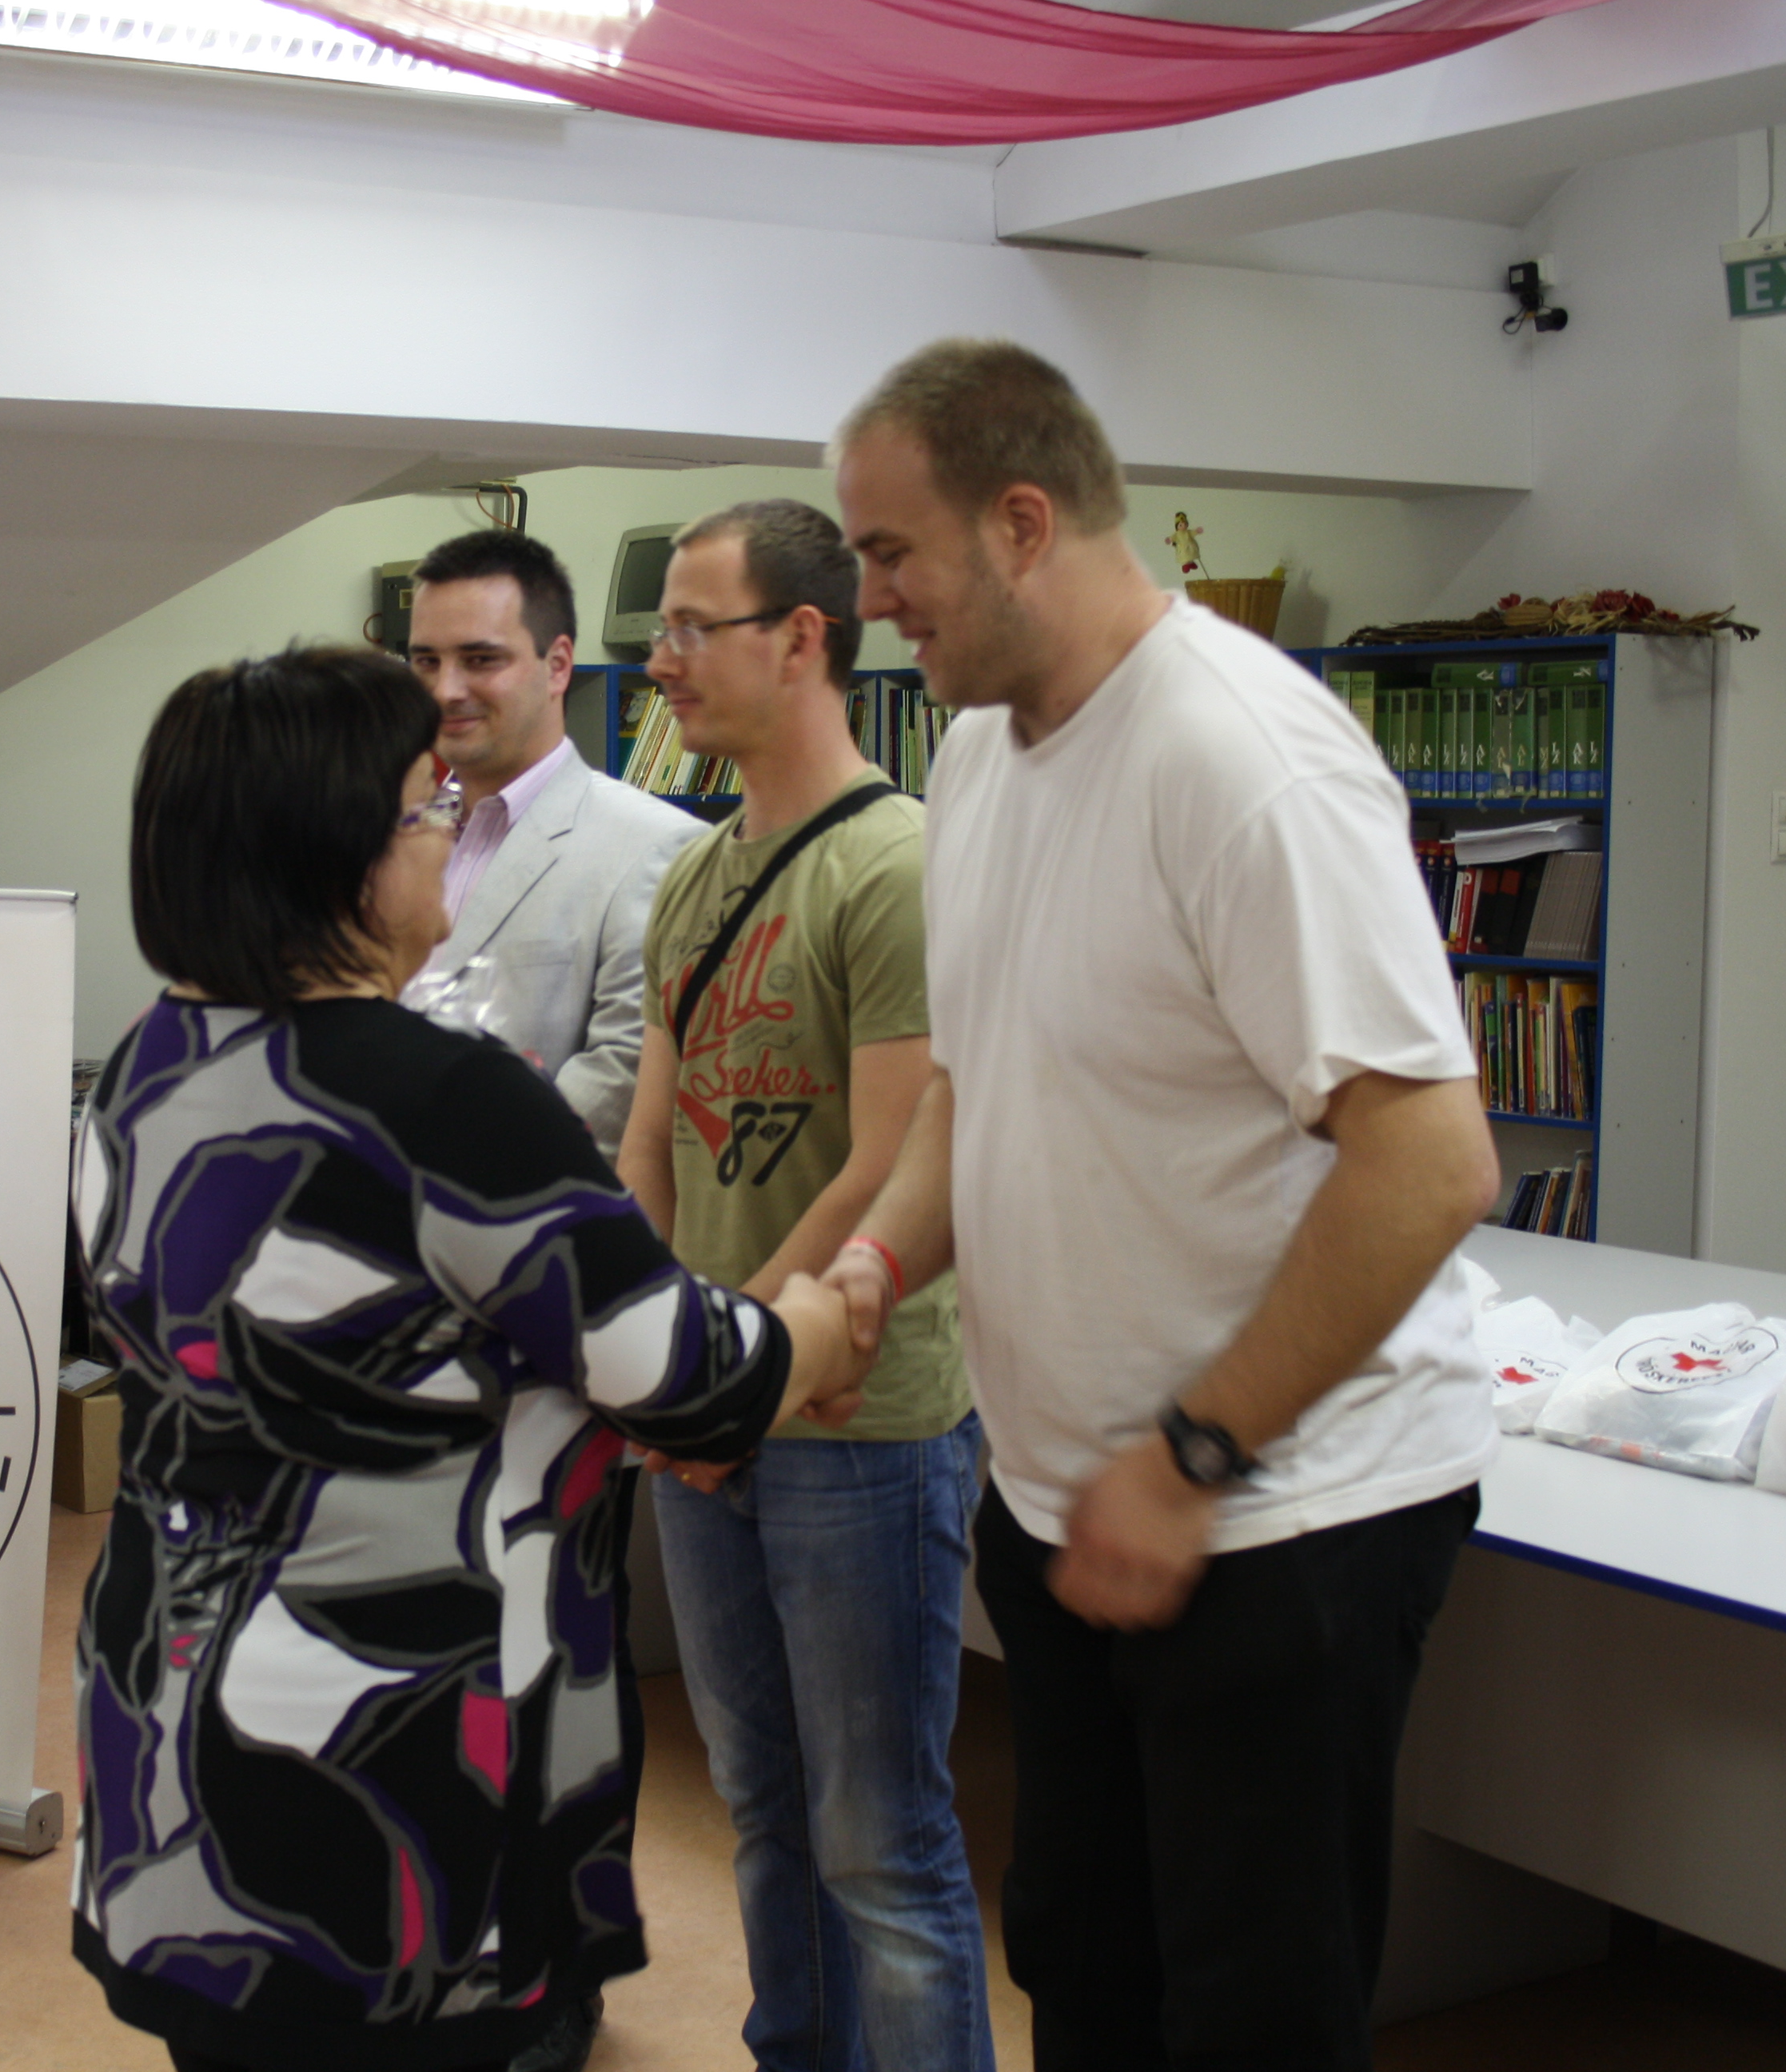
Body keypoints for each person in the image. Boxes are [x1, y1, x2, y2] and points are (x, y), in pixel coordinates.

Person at [823, 338, 1503, 2072]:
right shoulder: (978, 756)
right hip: (1070, 1501)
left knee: (1247, 2016)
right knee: (1084, 1966)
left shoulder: (1242, 759)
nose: (869, 599)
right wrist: (875, 1266)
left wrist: (1192, 1452)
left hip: (1274, 1510)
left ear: (1021, 522)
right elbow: (977, 1083)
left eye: (891, 552)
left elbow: (1429, 1162)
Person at [70, 644, 872, 2072]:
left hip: (172, 1709)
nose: (446, 832)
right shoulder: (440, 1099)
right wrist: (821, 1319)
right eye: (422, 804)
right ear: (336, 853)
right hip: (380, 1752)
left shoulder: (146, 1063)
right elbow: (689, 1375)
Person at [614, 500, 990, 2072]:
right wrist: (655, 1357)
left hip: (855, 1424)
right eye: (659, 632)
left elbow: (885, 1166)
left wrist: (718, 1370)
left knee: (878, 1843)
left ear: (802, 639)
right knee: (763, 1808)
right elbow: (649, 1147)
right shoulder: (695, 874)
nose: (662, 661)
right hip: (712, 1425)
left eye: (693, 628)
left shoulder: (896, 864)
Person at [409, 528, 705, 1162]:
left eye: (480, 660)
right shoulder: (387, 836)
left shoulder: (655, 847)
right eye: (427, 661)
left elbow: (622, 1081)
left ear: (560, 665)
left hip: (525, 1204)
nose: (446, 690)